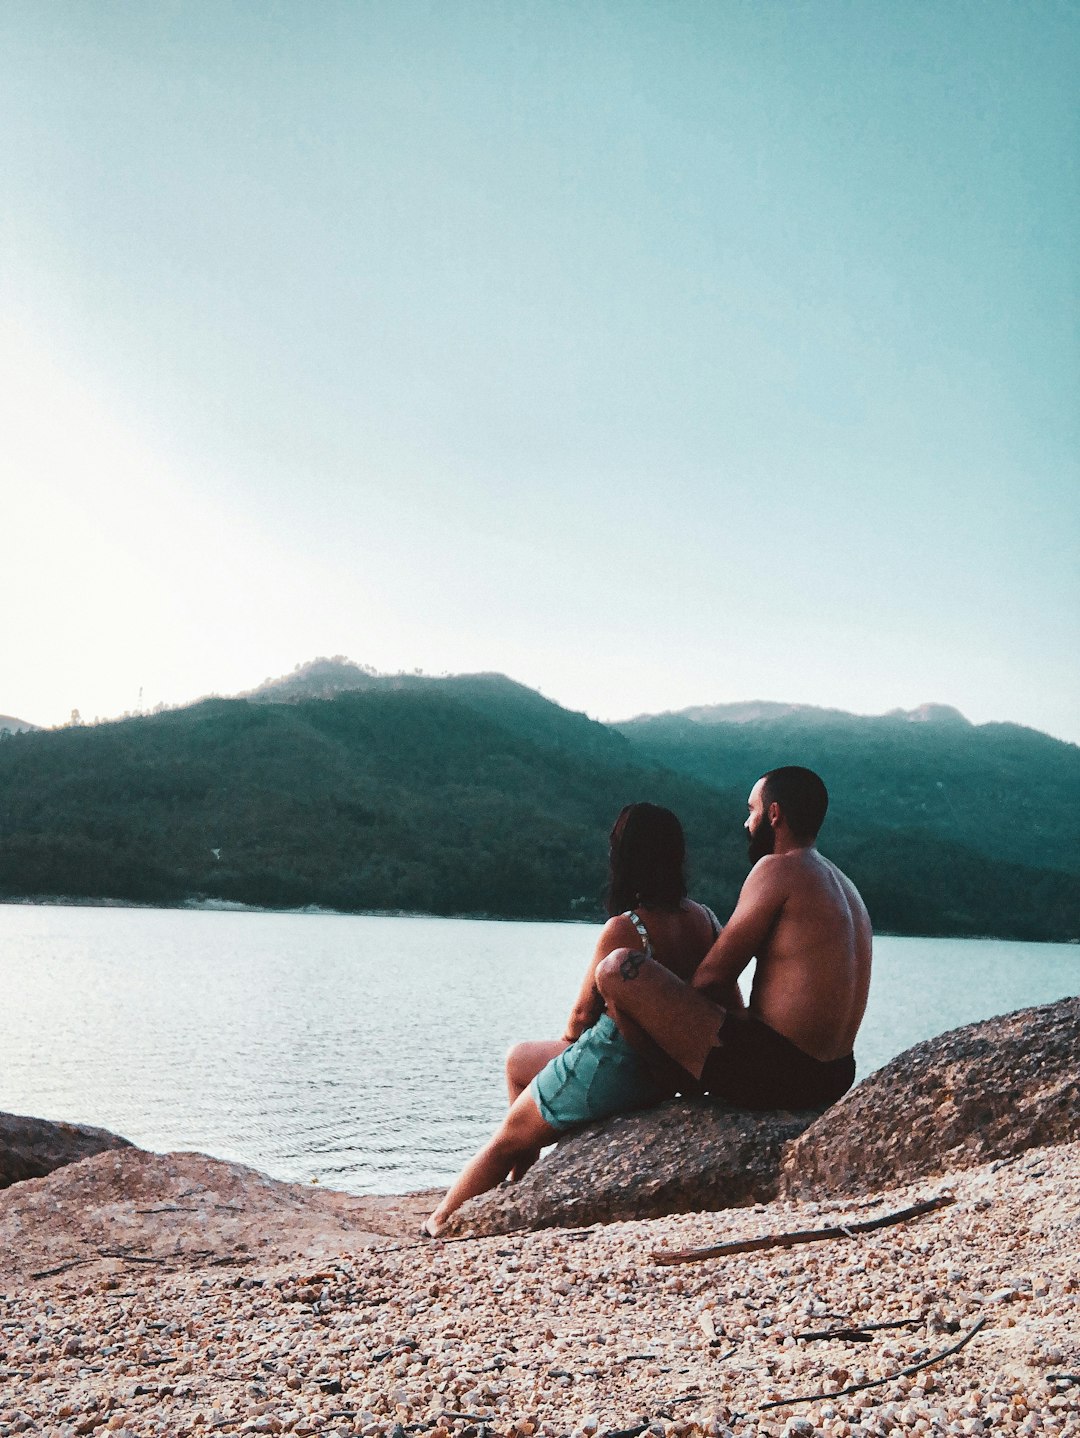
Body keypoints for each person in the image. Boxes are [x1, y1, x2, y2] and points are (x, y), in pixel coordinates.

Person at [423, 802, 741, 1236]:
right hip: (672, 1067)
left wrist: (570, 1054)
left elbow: (579, 1019)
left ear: (625, 858)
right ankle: (523, 1187)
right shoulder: (707, 920)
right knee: (518, 1059)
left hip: (620, 1064)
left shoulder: (627, 927)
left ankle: (439, 1223)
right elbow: (729, 1001)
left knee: (504, 1140)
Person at [594, 766, 872, 1111]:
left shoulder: (777, 869)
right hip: (838, 1073)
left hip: (782, 1075)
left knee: (618, 968)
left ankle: (663, 1081)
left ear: (774, 815)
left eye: (751, 810)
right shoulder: (846, 885)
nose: (746, 823)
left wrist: (664, 1015)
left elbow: (711, 977)